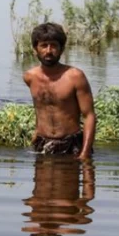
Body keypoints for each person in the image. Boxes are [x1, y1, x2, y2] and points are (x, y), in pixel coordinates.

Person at [23, 23, 96, 160]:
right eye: (44, 45)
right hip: (42, 143)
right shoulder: (29, 77)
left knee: (68, 181)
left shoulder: (75, 76)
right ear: (35, 49)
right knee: (41, 181)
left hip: (71, 144)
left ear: (62, 49)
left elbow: (89, 116)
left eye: (54, 45)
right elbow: (40, 106)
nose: (49, 51)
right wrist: (36, 132)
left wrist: (85, 153)